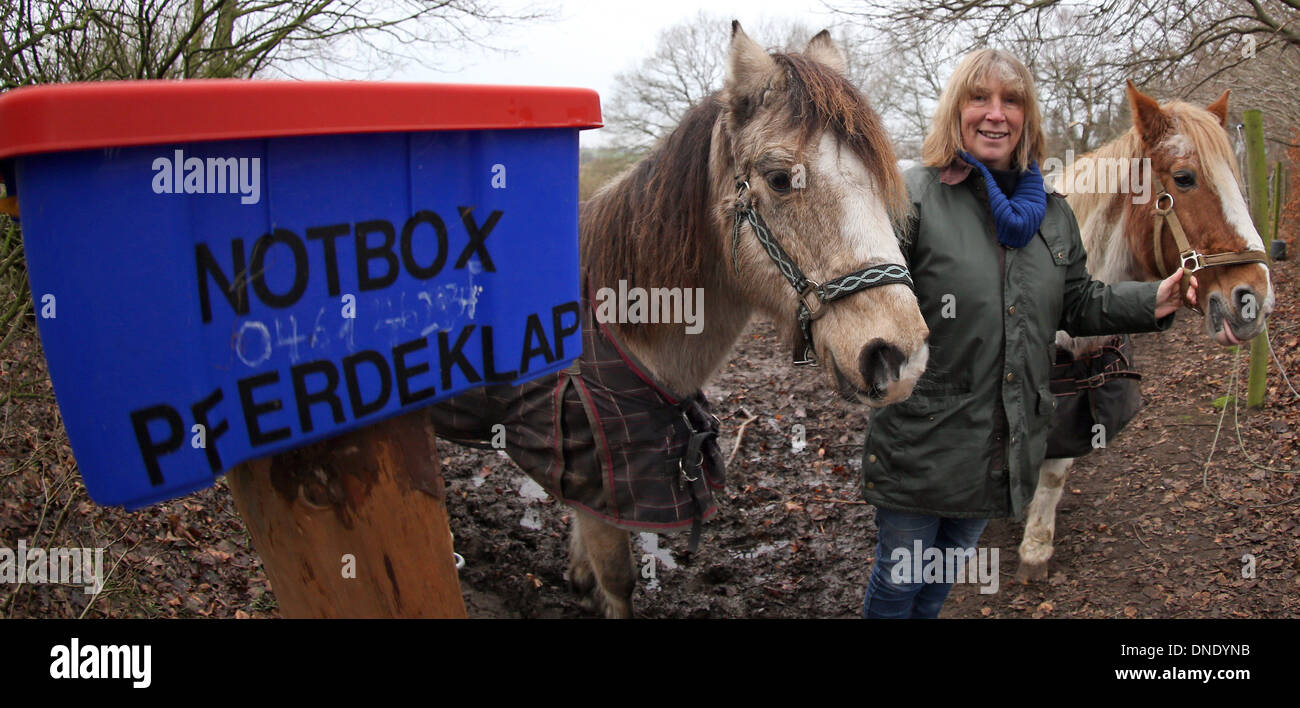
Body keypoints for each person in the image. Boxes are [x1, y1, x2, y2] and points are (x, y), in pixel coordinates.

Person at [860, 48, 1196, 618]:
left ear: (1027, 116)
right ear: (955, 111)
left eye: (1011, 100)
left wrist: (1154, 297)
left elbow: (1079, 303)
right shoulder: (911, 197)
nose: (995, 113)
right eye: (979, 98)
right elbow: (859, 297)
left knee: (939, 582)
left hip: (1004, 439)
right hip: (924, 440)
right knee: (899, 586)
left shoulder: (1052, 215)